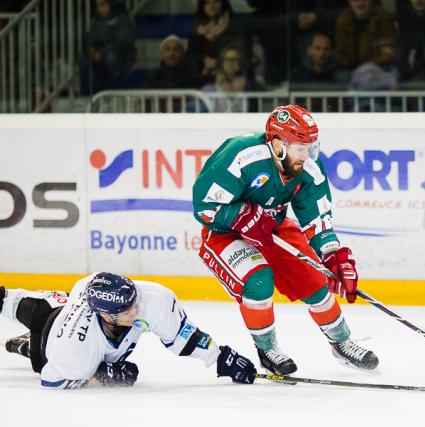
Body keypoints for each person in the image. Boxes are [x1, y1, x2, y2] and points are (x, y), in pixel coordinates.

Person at [192, 104, 379, 376]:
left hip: (272, 228)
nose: (307, 155)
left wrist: (333, 255)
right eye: (300, 148)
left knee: (316, 281)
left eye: (310, 147)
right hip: (225, 231)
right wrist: (243, 215)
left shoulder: (309, 169)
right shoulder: (241, 155)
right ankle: (267, 350)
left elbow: (317, 217)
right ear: (278, 144)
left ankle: (342, 343)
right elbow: (204, 205)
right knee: (259, 281)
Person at [0, 273, 256, 389]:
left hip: (56, 305)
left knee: (11, 301)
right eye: (125, 311)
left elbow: (182, 335)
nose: (135, 312)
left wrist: (220, 357)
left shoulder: (149, 298)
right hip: (52, 347)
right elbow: (51, 379)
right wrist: (102, 377)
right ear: (106, 315)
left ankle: (25, 337)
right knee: (18, 316)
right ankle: (25, 346)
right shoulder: (74, 355)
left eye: (134, 302)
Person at [81, 0, 136, 94]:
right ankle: (88, 94)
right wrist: (91, 50)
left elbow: (123, 42)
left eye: (103, 5)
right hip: (98, 54)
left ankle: (116, 88)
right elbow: (89, 39)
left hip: (119, 54)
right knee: (82, 59)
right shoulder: (95, 21)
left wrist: (102, 53)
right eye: (97, 6)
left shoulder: (122, 19)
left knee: (111, 56)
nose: (99, 9)